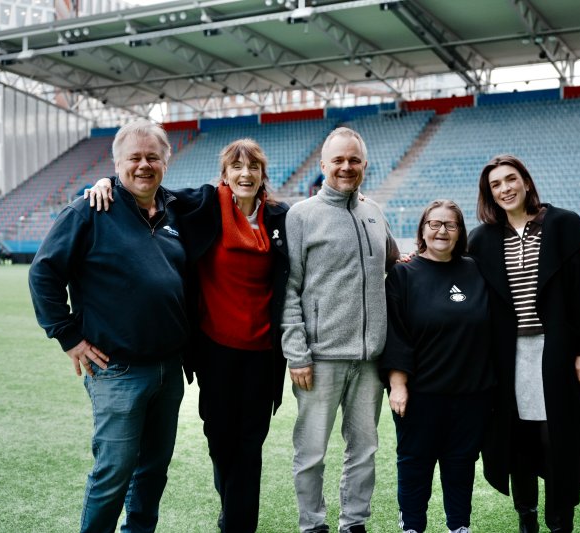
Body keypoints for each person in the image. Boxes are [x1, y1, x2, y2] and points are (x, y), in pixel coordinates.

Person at [86, 138, 290, 533]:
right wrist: (104, 182)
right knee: (219, 440)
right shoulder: (206, 204)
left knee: (249, 446)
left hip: (263, 352)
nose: (245, 174)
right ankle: (231, 509)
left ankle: (237, 524)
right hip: (215, 349)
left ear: (264, 175)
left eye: (253, 167)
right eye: (237, 167)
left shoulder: (279, 217)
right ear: (225, 173)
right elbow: (149, 188)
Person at [28, 118, 188, 533]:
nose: (143, 165)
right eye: (133, 158)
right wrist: (68, 337)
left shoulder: (175, 208)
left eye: (152, 157)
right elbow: (43, 273)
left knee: (153, 472)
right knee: (114, 473)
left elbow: (231, 192)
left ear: (166, 161)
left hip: (168, 370)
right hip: (116, 369)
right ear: (116, 164)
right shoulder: (89, 209)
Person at [467, 154, 580, 533]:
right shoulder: (483, 238)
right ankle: (527, 518)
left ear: (527, 182)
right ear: (489, 193)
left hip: (556, 350)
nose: (505, 189)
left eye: (510, 179)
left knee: (558, 438)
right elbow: (462, 282)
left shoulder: (563, 224)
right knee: (518, 438)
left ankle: (560, 520)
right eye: (496, 185)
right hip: (507, 355)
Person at [281, 126, 400, 533]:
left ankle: (354, 523)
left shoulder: (373, 211)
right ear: (323, 165)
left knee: (364, 449)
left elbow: (394, 265)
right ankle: (312, 525)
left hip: (370, 360)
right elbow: (288, 288)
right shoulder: (301, 215)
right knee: (311, 452)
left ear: (364, 165)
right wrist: (296, 352)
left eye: (354, 160)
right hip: (320, 358)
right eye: (338, 160)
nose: (346, 167)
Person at [380, 200, 495, 533]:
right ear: (422, 230)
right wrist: (398, 385)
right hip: (420, 395)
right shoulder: (403, 274)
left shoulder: (476, 270)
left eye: (450, 225)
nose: (441, 231)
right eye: (434, 224)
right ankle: (412, 526)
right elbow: (395, 334)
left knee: (461, 467)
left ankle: (459, 527)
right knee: (415, 465)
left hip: (472, 394)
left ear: (460, 232)